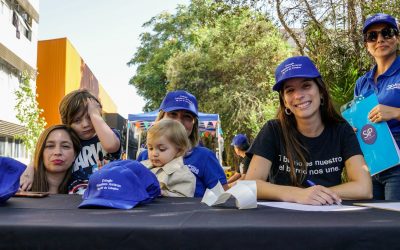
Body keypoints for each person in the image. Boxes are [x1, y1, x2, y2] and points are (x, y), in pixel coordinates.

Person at [245, 56, 372, 205]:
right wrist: (298, 194)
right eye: (290, 90)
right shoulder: (273, 130)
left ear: (321, 91)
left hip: (329, 219)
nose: (298, 95)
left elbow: (364, 188)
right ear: (285, 102)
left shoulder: (342, 130)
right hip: (282, 221)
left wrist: (316, 195)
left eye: (306, 86)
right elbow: (250, 186)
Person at [19, 89, 122, 194]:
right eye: (77, 120)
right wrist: (31, 168)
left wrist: (94, 114)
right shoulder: (71, 141)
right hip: (75, 196)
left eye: (89, 117)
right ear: (67, 123)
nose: (85, 124)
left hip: (108, 191)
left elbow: (111, 146)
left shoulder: (110, 134)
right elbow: (44, 156)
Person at [137, 90, 228, 197]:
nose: (179, 121)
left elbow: (223, 197)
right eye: (173, 114)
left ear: (194, 124)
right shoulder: (145, 156)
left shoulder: (205, 156)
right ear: (161, 118)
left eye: (187, 117)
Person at [354, 13, 400, 200]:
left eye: (387, 33)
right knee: (372, 225)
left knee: (393, 224)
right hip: (371, 165)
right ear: (367, 44)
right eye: (372, 36)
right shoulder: (361, 83)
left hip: (398, 168)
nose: (380, 39)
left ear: (397, 38)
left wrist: (396, 113)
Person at [141, 119, 196, 197]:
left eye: (162, 149)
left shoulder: (183, 175)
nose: (154, 153)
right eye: (150, 148)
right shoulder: (142, 166)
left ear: (179, 150)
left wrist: (162, 193)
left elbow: (184, 200)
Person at [31, 125, 81, 194]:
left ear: (74, 155)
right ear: (41, 152)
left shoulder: (83, 190)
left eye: (65, 146)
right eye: (50, 146)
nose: (57, 152)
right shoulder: (21, 185)